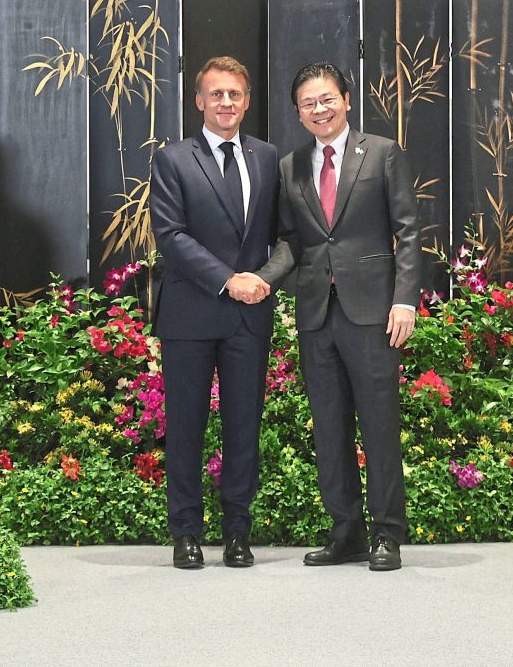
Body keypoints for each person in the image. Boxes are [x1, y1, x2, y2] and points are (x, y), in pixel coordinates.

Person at [253, 61, 421, 571]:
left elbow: (409, 230)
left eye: (326, 99)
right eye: (308, 103)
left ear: (346, 100)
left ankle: (387, 535)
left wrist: (406, 299)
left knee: (378, 425)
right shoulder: (290, 166)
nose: (319, 109)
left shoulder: (383, 153)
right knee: (329, 428)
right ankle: (345, 531)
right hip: (315, 313)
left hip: (373, 311)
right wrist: (264, 279)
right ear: (298, 113)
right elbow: (291, 241)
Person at [148, 56, 277, 570]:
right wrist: (229, 280)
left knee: (244, 427)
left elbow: (284, 237)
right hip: (191, 315)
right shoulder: (173, 159)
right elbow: (171, 237)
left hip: (251, 314)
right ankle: (185, 534)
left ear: (247, 101)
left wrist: (263, 280)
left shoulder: (268, 157)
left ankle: (238, 534)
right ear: (199, 101)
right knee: (185, 427)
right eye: (217, 94)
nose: (227, 103)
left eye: (236, 95)